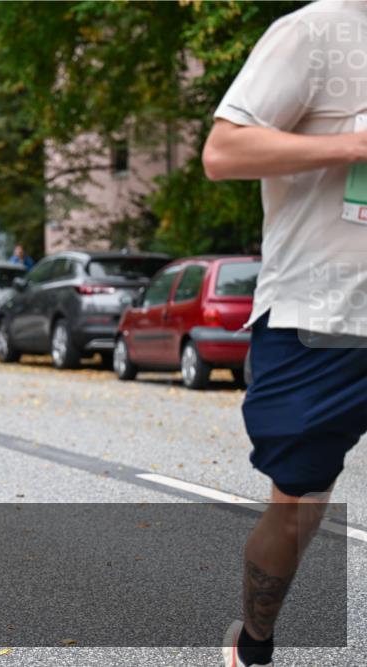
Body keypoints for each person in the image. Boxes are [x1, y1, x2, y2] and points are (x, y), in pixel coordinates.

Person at [202, 3, 367, 666]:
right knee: (299, 501)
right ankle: (256, 640)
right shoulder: (317, 29)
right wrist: (355, 144)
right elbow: (223, 151)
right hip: (323, 319)